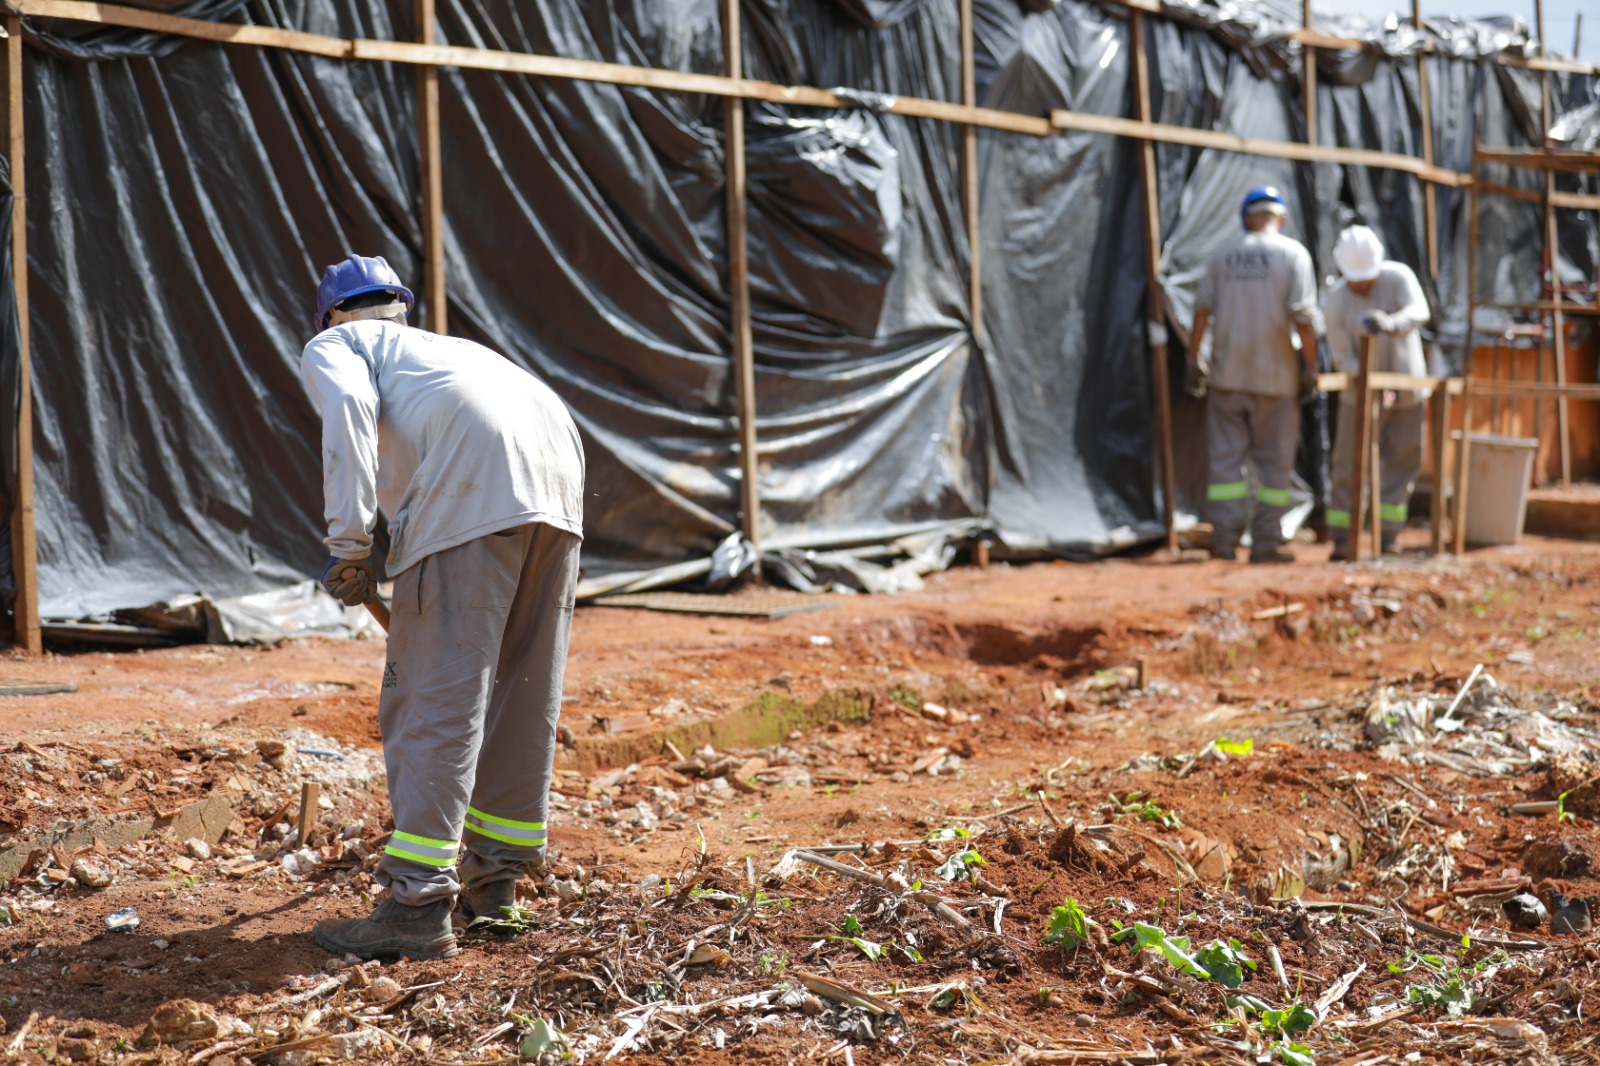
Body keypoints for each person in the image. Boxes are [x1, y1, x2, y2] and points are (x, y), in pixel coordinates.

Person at [300, 255, 586, 960]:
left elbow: (348, 417)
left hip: (472, 493)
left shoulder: (339, 345)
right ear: (400, 307)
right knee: (520, 691)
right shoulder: (446, 351)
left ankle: (417, 904)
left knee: (433, 698)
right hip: (558, 483)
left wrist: (351, 544)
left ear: (331, 316)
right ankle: (496, 884)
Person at [1187, 185, 1321, 563]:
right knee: (1274, 465)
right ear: (1281, 217)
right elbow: (1305, 319)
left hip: (1227, 376)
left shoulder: (1222, 254)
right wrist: (1309, 368)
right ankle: (1264, 544)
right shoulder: (1293, 254)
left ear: (1246, 217)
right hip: (1275, 380)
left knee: (1226, 463)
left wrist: (1194, 358)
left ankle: (1226, 542)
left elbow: (1201, 310)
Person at [1322, 225, 1430, 560]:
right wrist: (1371, 383)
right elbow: (1342, 357)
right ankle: (1343, 537)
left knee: (1402, 460)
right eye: (1356, 278)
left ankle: (1388, 535)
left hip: (1406, 390)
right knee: (1349, 463)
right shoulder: (1335, 301)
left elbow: (1419, 312)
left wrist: (1391, 322)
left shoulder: (1398, 278)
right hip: (1360, 396)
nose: (1363, 284)